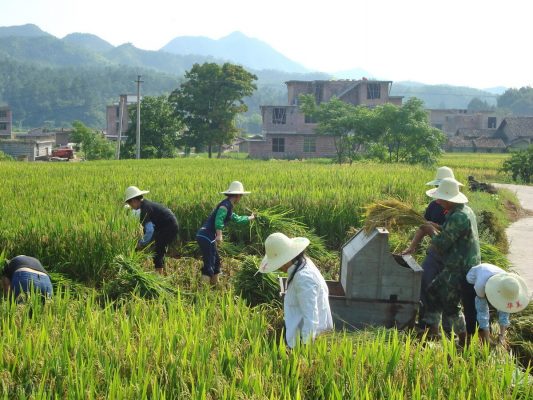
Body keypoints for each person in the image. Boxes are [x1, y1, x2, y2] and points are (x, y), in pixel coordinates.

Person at [419, 177, 481, 344]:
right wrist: (437, 226)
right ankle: (434, 331)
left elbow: (441, 245)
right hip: (460, 263)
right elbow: (453, 232)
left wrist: (430, 230)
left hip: (460, 267)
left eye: (441, 198)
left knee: (450, 304)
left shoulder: (458, 216)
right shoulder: (464, 211)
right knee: (433, 291)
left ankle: (463, 340)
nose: (438, 201)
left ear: (449, 199)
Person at [403, 166, 464, 328]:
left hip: (451, 258)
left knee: (447, 295)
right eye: (438, 187)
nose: (438, 195)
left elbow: (446, 239)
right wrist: (412, 247)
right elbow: (423, 227)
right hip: (435, 254)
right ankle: (426, 324)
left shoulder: (458, 211)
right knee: (425, 282)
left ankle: (449, 328)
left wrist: (433, 229)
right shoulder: (434, 206)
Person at [258, 232, 333, 349]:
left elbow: (311, 318)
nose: (278, 267)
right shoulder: (303, 263)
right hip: (300, 336)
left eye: (279, 263)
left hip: (306, 341)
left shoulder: (303, 278)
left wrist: (304, 349)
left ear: (287, 259)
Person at [196, 181, 254, 286]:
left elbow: (237, 219)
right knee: (209, 262)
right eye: (241, 196)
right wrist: (219, 235)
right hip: (206, 236)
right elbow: (219, 220)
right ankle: (203, 292)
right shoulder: (225, 206)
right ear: (237, 195)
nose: (241, 198)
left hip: (206, 236)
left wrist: (251, 217)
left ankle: (215, 284)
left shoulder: (228, 206)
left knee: (216, 261)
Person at [466, 263, 529, 344]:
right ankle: (475, 334)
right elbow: (482, 311)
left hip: (492, 277)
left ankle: (490, 333)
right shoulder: (480, 284)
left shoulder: (509, 282)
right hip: (471, 281)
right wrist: (487, 338)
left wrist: (502, 335)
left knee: (499, 307)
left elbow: (505, 309)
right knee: (472, 312)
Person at [124, 186, 179, 275]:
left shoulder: (144, 210)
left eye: (130, 204)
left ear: (134, 201)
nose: (131, 206)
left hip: (168, 227)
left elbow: (149, 230)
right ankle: (162, 273)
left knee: (158, 253)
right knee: (160, 250)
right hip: (167, 226)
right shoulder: (145, 205)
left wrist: (141, 243)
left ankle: (158, 278)